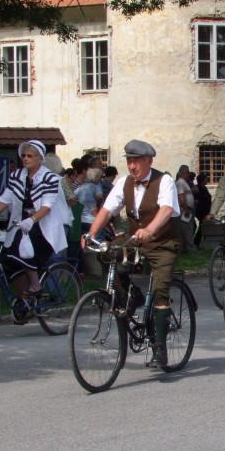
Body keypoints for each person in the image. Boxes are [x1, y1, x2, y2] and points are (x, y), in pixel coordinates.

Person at [85, 139, 181, 369]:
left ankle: (159, 347)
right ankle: (132, 293)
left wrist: (150, 229)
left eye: (136, 161)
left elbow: (166, 209)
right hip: (135, 241)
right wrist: (91, 233)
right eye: (129, 161)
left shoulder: (164, 181)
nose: (132, 166)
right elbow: (107, 209)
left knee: (159, 290)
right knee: (106, 252)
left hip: (162, 243)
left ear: (149, 160)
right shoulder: (124, 183)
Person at [0, 140, 71, 295]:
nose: (25, 159)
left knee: (23, 253)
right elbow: (4, 199)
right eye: (24, 155)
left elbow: (47, 206)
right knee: (11, 260)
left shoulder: (50, 178)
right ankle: (24, 298)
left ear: (40, 158)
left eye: (30, 156)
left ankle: (36, 286)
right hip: (21, 223)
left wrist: (31, 220)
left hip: (42, 225)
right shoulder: (17, 176)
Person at [175, 165, 197, 253]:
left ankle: (185, 247)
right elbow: (181, 196)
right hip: (184, 209)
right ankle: (190, 248)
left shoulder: (184, 182)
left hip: (187, 208)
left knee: (187, 228)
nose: (188, 175)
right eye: (187, 173)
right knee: (187, 229)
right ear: (183, 173)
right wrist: (186, 208)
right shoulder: (180, 183)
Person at [192, 173, 212, 247]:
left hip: (206, 210)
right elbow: (196, 198)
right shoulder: (198, 188)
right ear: (202, 180)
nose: (207, 180)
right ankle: (196, 242)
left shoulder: (204, 187)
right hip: (200, 210)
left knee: (202, 226)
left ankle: (198, 241)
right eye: (206, 179)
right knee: (201, 225)